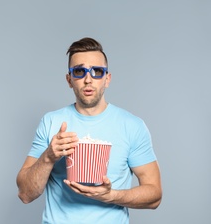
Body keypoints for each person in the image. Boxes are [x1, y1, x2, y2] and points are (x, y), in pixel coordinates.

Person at [16, 37, 162, 224]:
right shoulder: (51, 122)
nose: (88, 79)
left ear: (107, 79)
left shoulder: (132, 125)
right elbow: (25, 194)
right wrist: (48, 157)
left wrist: (110, 196)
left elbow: (155, 195)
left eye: (97, 71)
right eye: (79, 71)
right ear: (69, 79)